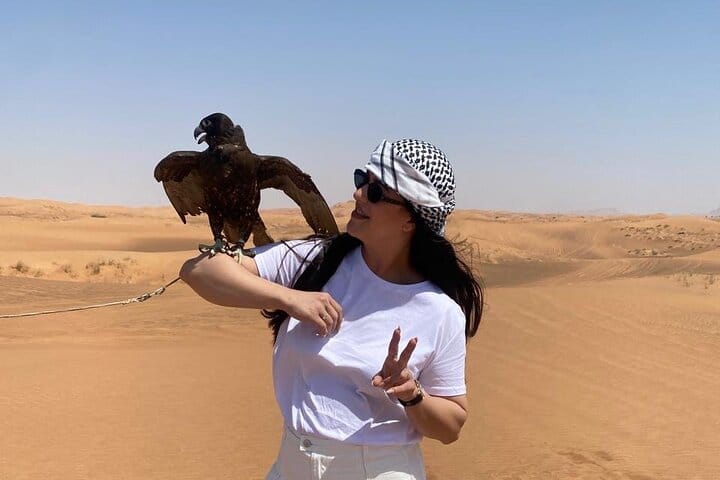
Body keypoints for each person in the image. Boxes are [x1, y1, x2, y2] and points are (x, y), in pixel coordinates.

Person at [180, 139, 484, 480]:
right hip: (290, 466)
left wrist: (412, 395)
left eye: (376, 192)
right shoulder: (317, 260)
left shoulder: (439, 311)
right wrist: (289, 298)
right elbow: (199, 271)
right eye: (361, 179)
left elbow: (451, 426)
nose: (358, 194)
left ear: (411, 220)